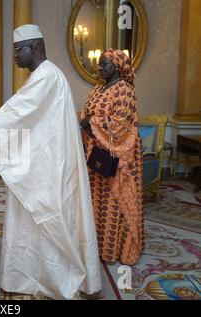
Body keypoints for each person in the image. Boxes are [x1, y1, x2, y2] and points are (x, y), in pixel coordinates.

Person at [0, 25, 102, 299]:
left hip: (49, 167)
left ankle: (53, 277)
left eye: (18, 50)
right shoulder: (43, 75)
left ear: (34, 47)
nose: (15, 56)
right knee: (35, 216)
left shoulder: (46, 76)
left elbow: (16, 112)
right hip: (42, 163)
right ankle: (33, 274)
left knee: (46, 215)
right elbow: (21, 114)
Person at [80, 49, 143, 266]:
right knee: (97, 199)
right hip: (96, 153)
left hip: (117, 156)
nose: (100, 67)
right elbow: (86, 113)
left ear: (116, 66)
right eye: (99, 63)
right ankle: (95, 247)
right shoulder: (98, 88)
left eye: (104, 63)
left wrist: (92, 124)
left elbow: (120, 125)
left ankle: (113, 249)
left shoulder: (124, 90)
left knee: (113, 201)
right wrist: (87, 122)